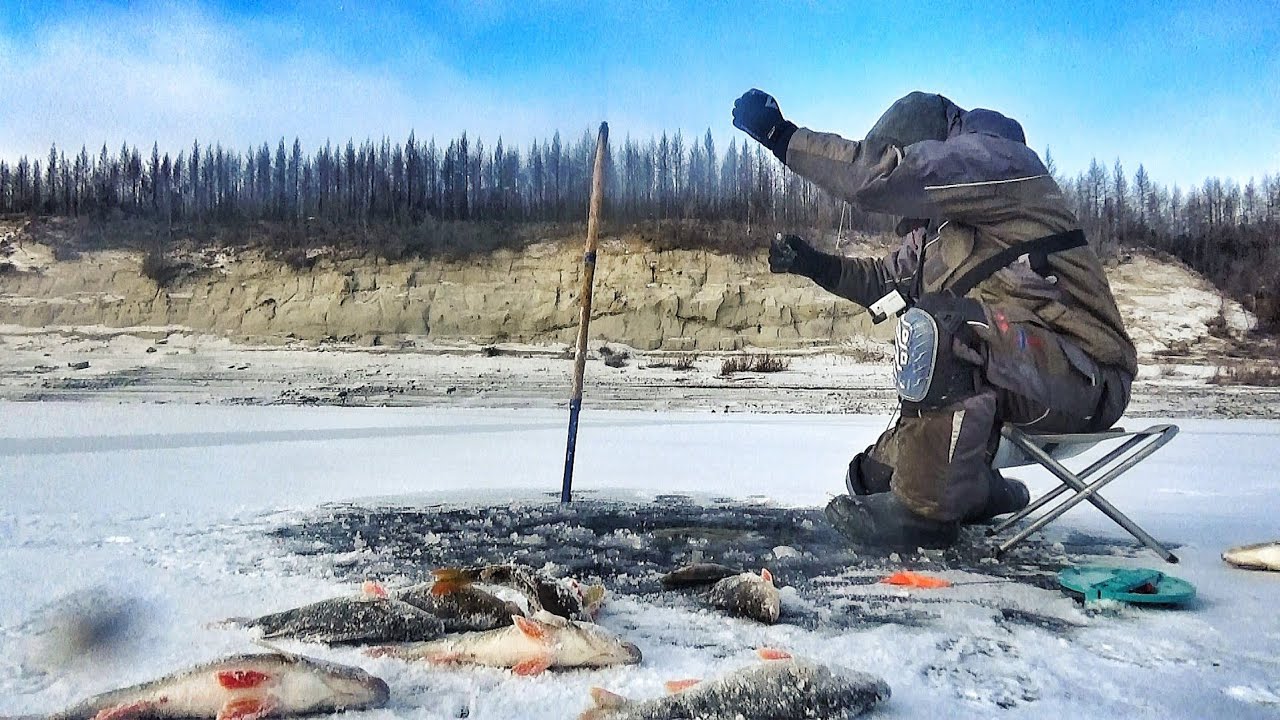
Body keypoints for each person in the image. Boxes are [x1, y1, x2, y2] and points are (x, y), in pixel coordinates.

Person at [731, 89, 1137, 550]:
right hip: (1010, 382)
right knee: (869, 480)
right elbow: (886, 281)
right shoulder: (940, 235)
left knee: (943, 322)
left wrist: (781, 137)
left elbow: (879, 176)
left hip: (1081, 376)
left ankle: (925, 516)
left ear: (928, 146)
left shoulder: (1002, 164)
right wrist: (815, 264)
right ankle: (984, 493)